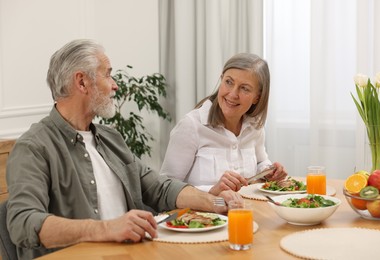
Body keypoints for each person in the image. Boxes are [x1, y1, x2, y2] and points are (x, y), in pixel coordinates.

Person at [6, 39, 240, 260]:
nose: (115, 84)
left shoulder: (110, 138)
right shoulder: (34, 147)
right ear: (82, 82)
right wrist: (107, 228)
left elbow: (159, 188)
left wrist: (215, 202)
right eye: (107, 74)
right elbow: (23, 222)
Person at [160, 53, 287, 195]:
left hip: (245, 212)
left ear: (257, 97)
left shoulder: (255, 126)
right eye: (229, 82)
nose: (233, 94)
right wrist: (212, 190)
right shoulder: (191, 125)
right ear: (221, 80)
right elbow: (166, 188)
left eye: (244, 88)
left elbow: (261, 161)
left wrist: (268, 171)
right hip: (201, 215)